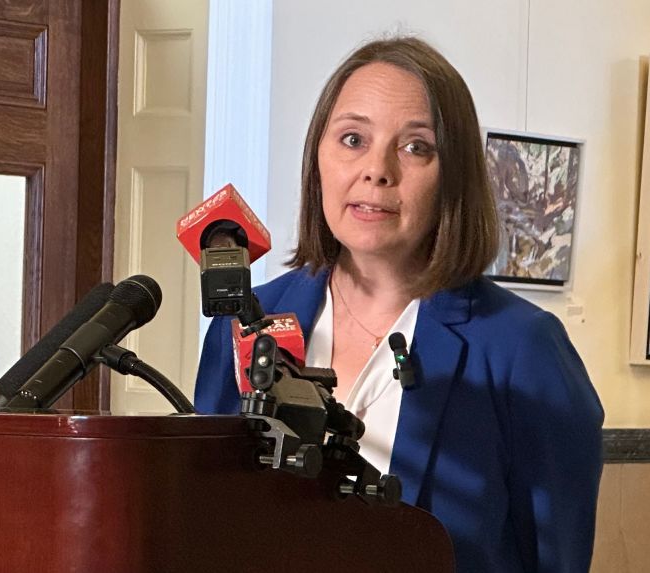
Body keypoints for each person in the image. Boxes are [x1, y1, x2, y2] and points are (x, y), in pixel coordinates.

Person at [195, 36, 604, 573]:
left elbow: (555, 557)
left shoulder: (521, 348)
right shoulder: (248, 323)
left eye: (416, 147)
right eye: (352, 138)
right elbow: (205, 521)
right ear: (318, 156)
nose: (377, 169)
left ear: (452, 175)